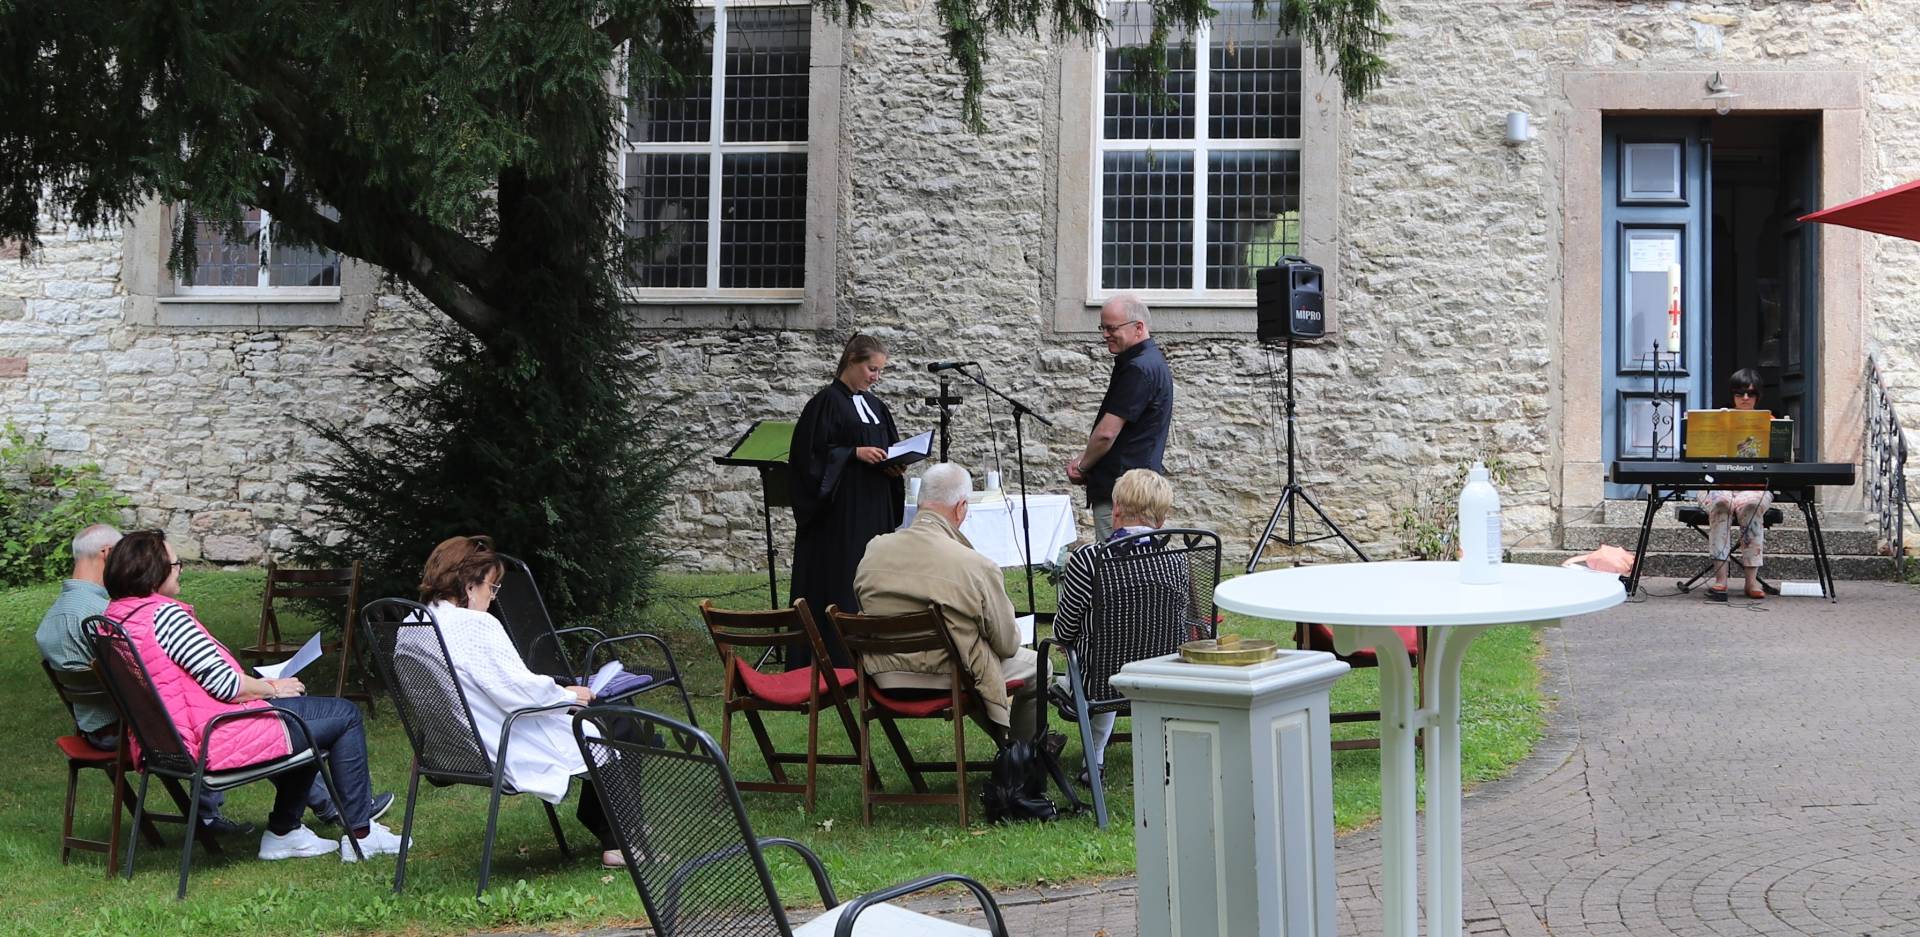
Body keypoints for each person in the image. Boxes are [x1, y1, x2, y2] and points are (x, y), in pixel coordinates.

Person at [96, 530, 401, 861]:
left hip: (169, 743)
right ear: (152, 572)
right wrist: (272, 687)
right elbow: (225, 685)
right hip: (216, 736)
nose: (180, 569)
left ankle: (285, 832)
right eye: (175, 563)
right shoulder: (164, 616)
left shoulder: (114, 619)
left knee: (312, 721)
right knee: (343, 715)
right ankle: (361, 835)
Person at [414, 535, 624, 869]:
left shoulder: (414, 626)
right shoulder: (474, 625)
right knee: (618, 720)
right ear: (470, 586)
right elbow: (517, 692)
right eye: (491, 588)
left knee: (607, 721)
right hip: (504, 742)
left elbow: (497, 686)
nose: (492, 598)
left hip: (454, 749)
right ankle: (619, 839)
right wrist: (568, 695)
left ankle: (613, 828)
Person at [37, 524, 255, 836]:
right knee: (216, 706)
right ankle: (217, 815)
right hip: (128, 730)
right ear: (109, 555)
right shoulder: (106, 615)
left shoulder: (52, 618)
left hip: (92, 728)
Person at [853, 461, 1037, 740]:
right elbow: (1007, 644)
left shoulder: (874, 550)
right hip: (946, 677)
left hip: (883, 676)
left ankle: (1013, 748)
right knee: (1039, 666)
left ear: (921, 501)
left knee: (969, 654)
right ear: (961, 507)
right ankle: (1022, 753)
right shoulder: (973, 565)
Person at [1048, 468, 1189, 780]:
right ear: (1162, 520)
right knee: (1120, 653)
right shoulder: (1176, 561)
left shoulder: (1088, 559)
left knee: (1100, 658)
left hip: (1099, 683)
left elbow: (1064, 631)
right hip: (1163, 678)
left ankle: (1092, 757)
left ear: (1115, 512)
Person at [789, 333, 907, 669]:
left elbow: (888, 447)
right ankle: (837, 655)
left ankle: (875, 650)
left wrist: (893, 465)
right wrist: (853, 453)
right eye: (871, 369)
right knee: (842, 581)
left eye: (880, 371)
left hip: (875, 509)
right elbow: (808, 458)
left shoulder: (876, 407)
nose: (876, 377)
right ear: (851, 361)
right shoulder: (826, 402)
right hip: (840, 518)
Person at [1067, 294, 1173, 540]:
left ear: (1138, 327)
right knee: (1140, 564)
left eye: (1112, 328)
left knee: (1117, 569)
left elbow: (1107, 433)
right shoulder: (1151, 361)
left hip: (1123, 492)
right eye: (1102, 327)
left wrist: (1083, 465)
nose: (1105, 334)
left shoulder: (1138, 368)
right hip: (1141, 488)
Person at [1701, 368, 1775, 600]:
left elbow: (1784, 461)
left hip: (1754, 486)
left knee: (1751, 506)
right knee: (1721, 503)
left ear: (1758, 397)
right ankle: (1720, 579)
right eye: (1739, 393)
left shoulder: (1770, 422)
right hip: (1718, 485)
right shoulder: (1718, 420)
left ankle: (1751, 582)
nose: (1745, 398)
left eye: (1750, 394)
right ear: (1732, 395)